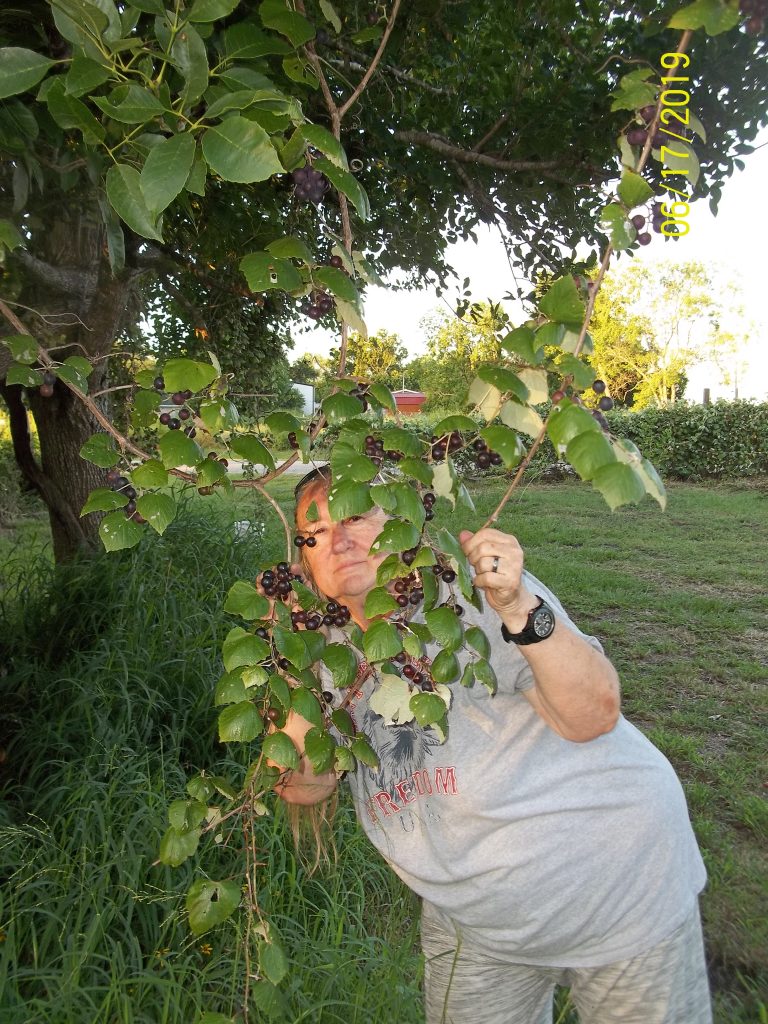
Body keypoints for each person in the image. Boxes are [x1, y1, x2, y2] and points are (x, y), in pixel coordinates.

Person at [272, 465, 712, 1024]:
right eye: (315, 535)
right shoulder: (322, 645)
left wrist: (517, 607)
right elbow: (303, 787)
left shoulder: (464, 599)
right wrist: (297, 669)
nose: (338, 542)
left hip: (615, 882)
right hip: (474, 919)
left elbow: (594, 715)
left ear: (403, 525)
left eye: (356, 516)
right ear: (303, 560)